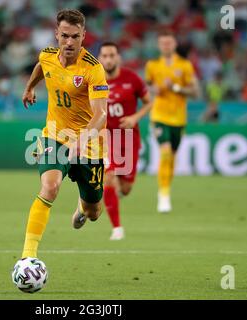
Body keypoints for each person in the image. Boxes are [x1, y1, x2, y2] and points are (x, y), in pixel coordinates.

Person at [20, 9, 109, 259]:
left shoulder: (93, 69)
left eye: (76, 37)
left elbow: (101, 115)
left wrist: (83, 139)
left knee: (94, 211)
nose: (69, 42)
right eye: (65, 36)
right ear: (56, 34)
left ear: (84, 36)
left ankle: (82, 206)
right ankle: (28, 256)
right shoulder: (47, 56)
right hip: (55, 136)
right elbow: (40, 66)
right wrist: (29, 88)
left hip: (88, 145)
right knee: (50, 187)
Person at [97, 42, 152, 240]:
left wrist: (135, 118)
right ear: (100, 58)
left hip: (128, 139)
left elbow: (149, 102)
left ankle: (115, 194)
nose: (109, 59)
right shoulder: (95, 78)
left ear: (118, 57)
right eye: (105, 55)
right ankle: (117, 228)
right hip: (105, 138)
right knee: (109, 176)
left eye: (112, 55)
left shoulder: (132, 79)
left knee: (126, 189)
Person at [145, 29, 200, 213]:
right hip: (159, 116)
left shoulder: (184, 65)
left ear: (174, 44)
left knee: (172, 158)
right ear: (159, 45)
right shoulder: (152, 65)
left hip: (178, 118)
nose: (166, 46)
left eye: (169, 43)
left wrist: (175, 87)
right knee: (166, 152)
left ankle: (166, 189)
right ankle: (163, 194)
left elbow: (195, 92)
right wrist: (155, 90)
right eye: (163, 43)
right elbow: (147, 87)